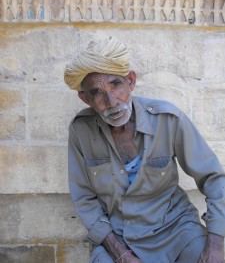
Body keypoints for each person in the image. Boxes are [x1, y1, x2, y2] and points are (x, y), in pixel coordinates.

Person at [64, 36, 225, 263]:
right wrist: (120, 253)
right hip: (120, 236)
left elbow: (214, 179)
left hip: (177, 229)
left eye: (116, 84)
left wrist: (217, 244)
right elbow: (85, 200)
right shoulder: (81, 131)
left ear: (130, 80)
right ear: (85, 99)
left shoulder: (168, 119)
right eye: (97, 93)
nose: (111, 101)